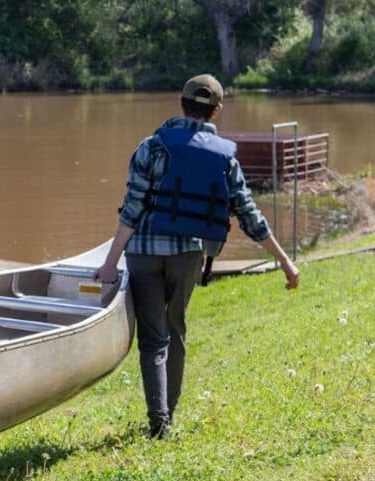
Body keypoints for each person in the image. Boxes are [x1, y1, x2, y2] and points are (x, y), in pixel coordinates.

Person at [94, 74, 299, 439]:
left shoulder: (151, 147)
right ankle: (167, 416)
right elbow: (248, 214)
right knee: (176, 329)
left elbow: (132, 210)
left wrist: (110, 263)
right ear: (216, 111)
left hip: (143, 252)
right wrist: (285, 261)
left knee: (154, 337)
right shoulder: (224, 157)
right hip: (189, 253)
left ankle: (158, 422)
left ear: (180, 102)